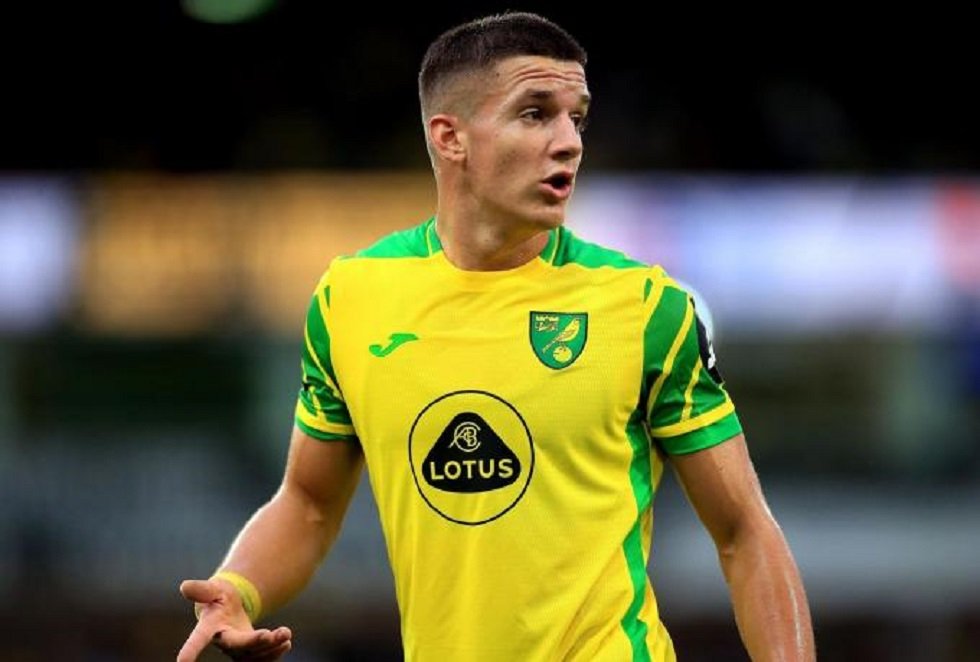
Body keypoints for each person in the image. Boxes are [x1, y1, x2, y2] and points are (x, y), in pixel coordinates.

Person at [177, 11, 815, 662]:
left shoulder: (646, 307)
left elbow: (744, 532)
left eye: (577, 119)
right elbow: (308, 503)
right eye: (535, 114)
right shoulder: (350, 299)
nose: (569, 142)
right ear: (450, 137)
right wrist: (239, 587)